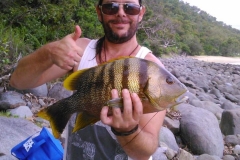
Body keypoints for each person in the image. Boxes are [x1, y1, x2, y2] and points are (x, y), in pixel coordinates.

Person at [10, 0, 166, 159]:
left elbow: (144, 153)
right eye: (110, 7)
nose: (120, 13)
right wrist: (48, 53)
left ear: (140, 13)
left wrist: (128, 130)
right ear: (99, 12)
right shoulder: (79, 51)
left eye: (130, 7)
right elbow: (18, 81)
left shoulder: (154, 72)